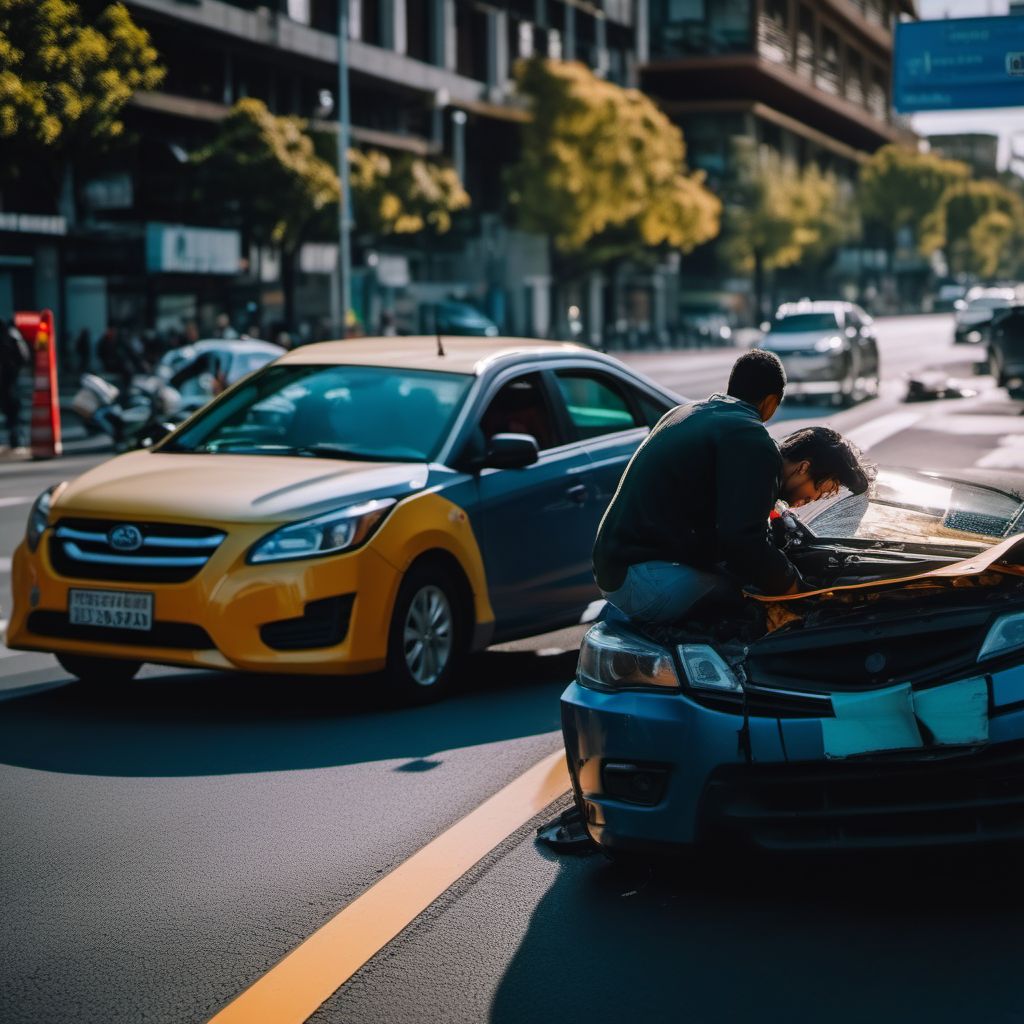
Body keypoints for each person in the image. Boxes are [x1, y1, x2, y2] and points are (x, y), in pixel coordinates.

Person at [592, 350, 872, 626]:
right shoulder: (749, 438)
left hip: (614, 567)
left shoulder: (691, 412)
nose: (810, 500)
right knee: (753, 604)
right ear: (771, 403)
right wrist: (797, 590)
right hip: (642, 577)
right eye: (820, 490)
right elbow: (744, 544)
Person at [0, 319, 32, 452]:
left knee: (11, 409)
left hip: (7, 378)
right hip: (10, 378)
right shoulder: (13, 335)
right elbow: (24, 356)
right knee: (13, 411)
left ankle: (15, 438)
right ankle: (16, 439)